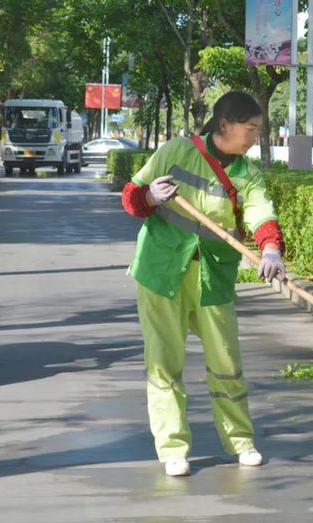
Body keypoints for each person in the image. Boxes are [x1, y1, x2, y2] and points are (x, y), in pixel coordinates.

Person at [121, 91, 286, 477]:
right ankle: (172, 448)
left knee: (226, 362)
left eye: (259, 131)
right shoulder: (176, 151)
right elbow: (131, 197)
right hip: (163, 271)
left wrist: (271, 250)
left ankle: (241, 441)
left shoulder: (246, 171)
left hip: (214, 274)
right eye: (250, 129)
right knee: (164, 363)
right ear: (224, 125)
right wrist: (150, 195)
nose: (254, 138)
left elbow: (261, 210)